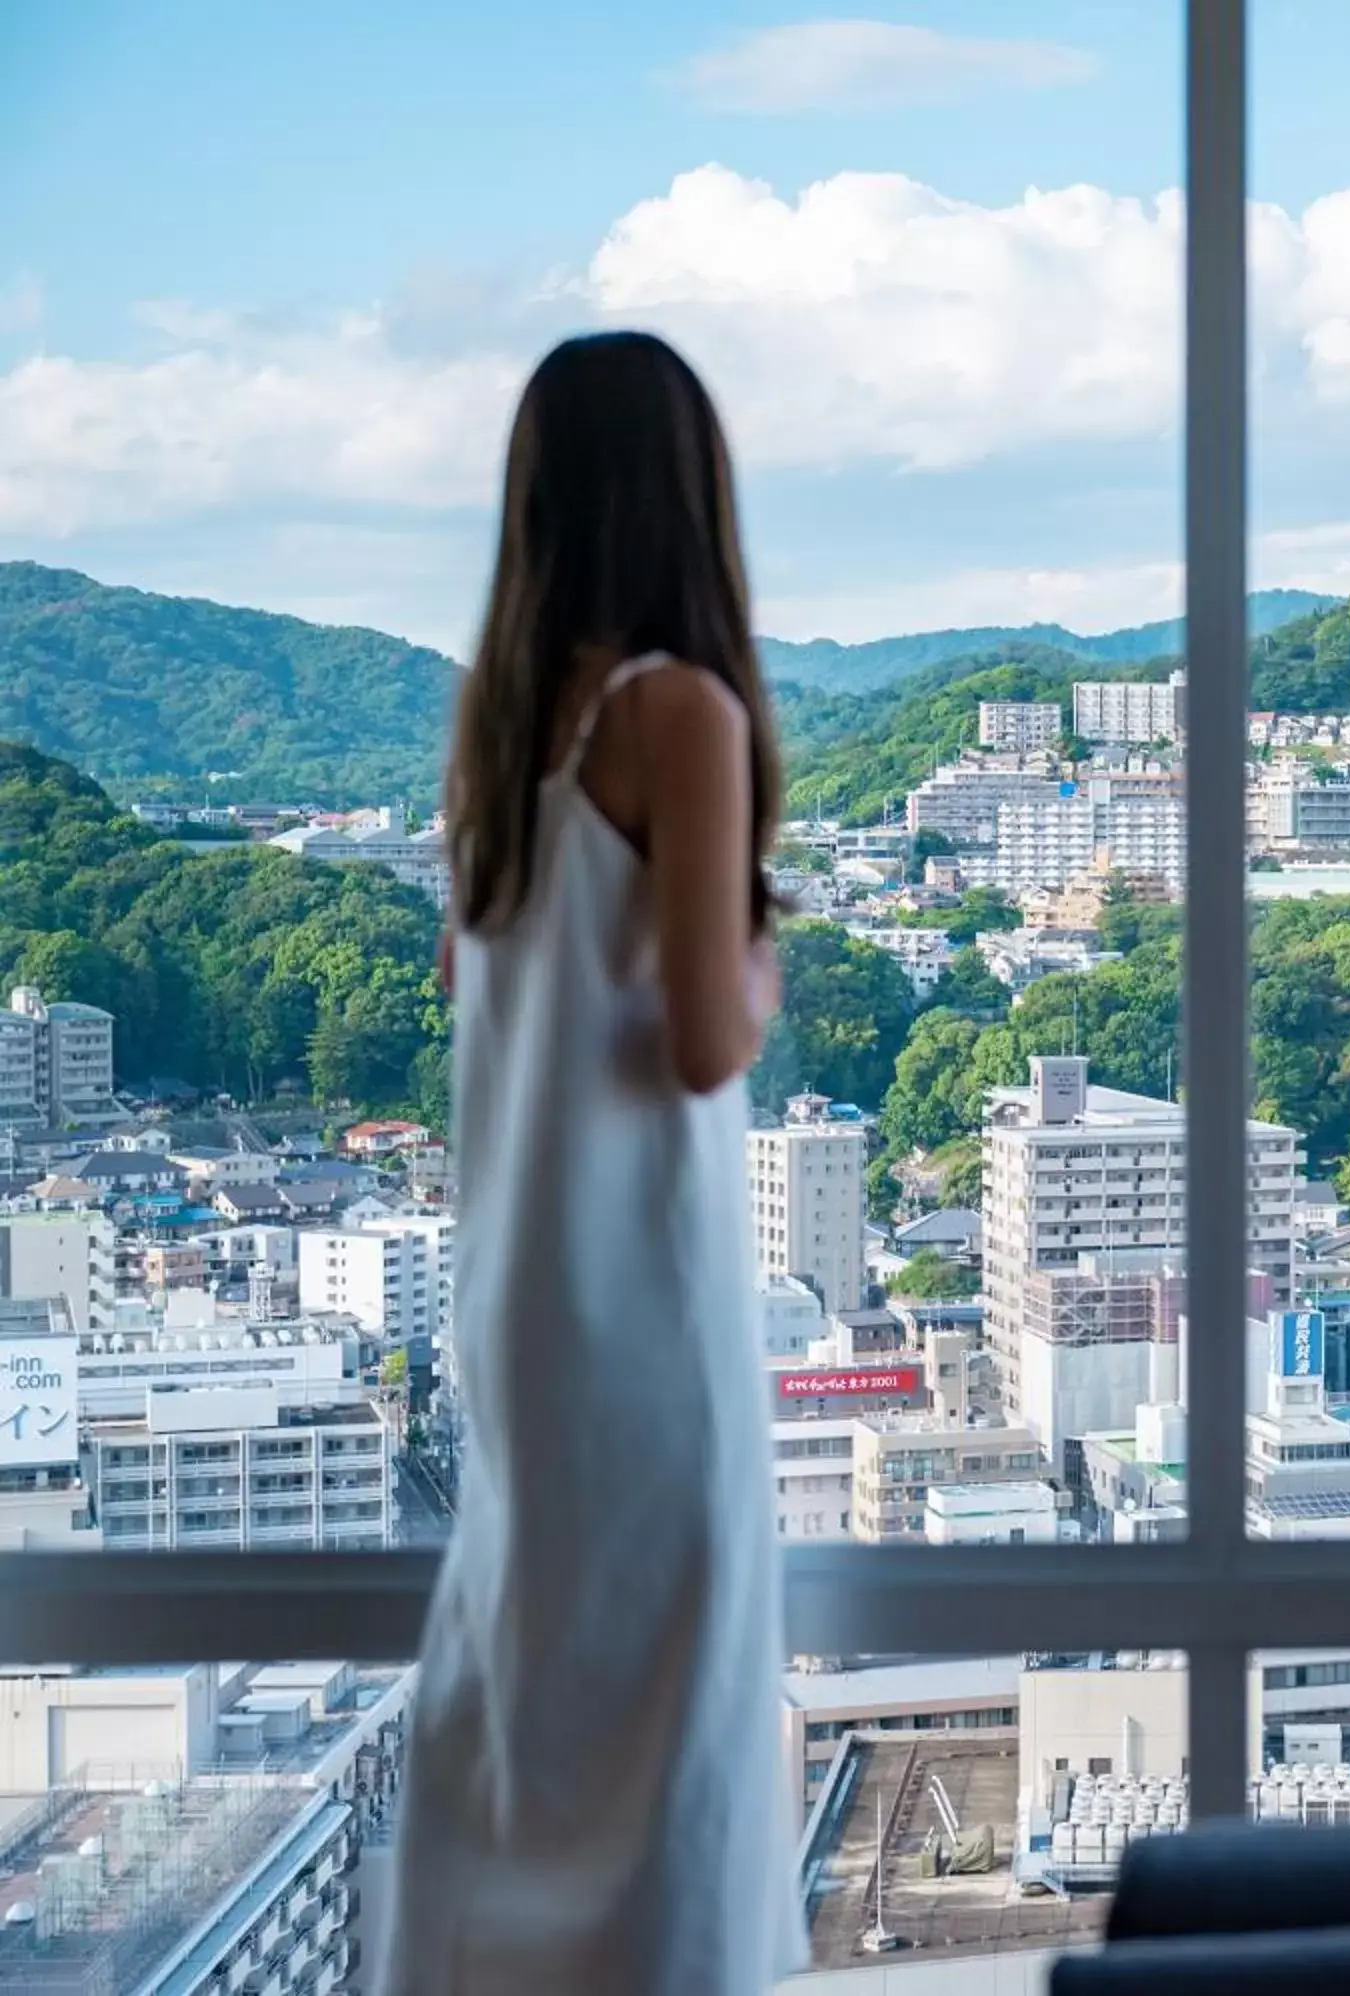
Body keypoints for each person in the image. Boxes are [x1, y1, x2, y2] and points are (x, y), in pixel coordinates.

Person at [379, 331, 797, 1992]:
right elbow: (704, 1036)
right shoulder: (677, 712)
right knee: (674, 1727)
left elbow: (477, 980)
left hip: (521, 1316)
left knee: (526, 1713)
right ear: (691, 499)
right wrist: (767, 955)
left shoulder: (498, 726)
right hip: (646, 1320)